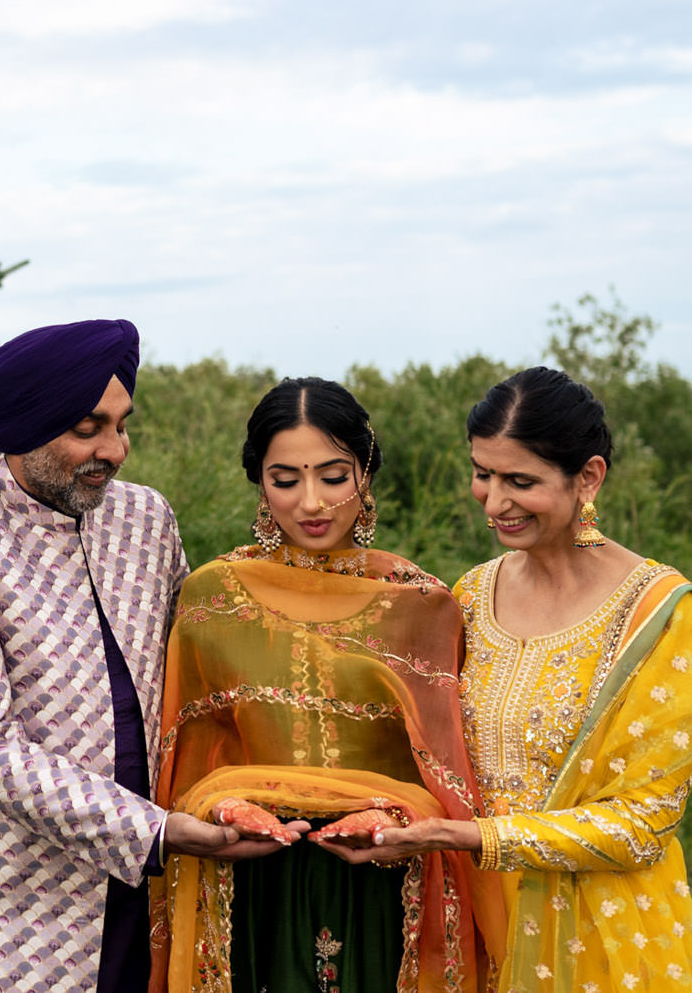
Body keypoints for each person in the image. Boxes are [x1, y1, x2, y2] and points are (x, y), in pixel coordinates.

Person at [321, 366, 692, 993]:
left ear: (588, 477)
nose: (494, 502)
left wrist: (467, 836)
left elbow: (642, 825)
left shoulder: (655, 614)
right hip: (477, 918)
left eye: (521, 481)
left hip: (604, 934)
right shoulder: (472, 593)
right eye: (482, 474)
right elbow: (438, 757)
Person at [0, 319, 280, 993]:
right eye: (88, 430)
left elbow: (199, 669)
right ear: (24, 428)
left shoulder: (145, 519)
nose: (116, 449)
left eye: (122, 424)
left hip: (143, 892)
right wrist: (156, 832)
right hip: (2, 910)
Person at [149, 377, 497, 993]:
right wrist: (222, 805)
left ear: (366, 474)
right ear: (260, 482)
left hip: (381, 877)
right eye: (286, 480)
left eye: (334, 477)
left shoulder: (420, 606)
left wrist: (396, 814)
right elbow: (184, 756)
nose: (311, 503)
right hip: (250, 879)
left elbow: (450, 776)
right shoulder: (212, 598)